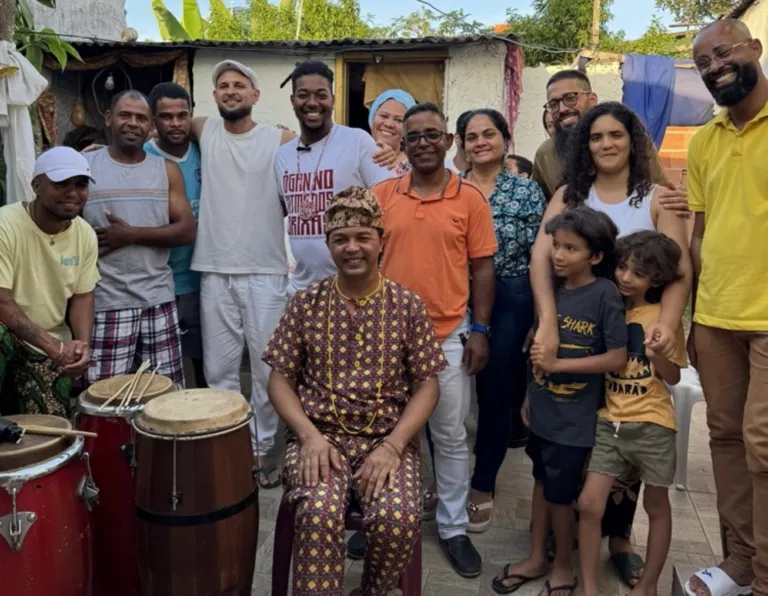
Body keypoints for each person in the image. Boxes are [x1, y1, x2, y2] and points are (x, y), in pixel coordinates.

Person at [529, 100, 693, 588]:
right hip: (580, 333)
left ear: (632, 139)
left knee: (627, 426)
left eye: (615, 135)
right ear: (586, 145)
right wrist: (547, 322)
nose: (606, 144)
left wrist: (662, 327)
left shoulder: (658, 196)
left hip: (638, 332)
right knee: (586, 434)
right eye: (596, 137)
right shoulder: (569, 194)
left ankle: (619, 541)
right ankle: (572, 535)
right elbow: (541, 255)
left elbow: (680, 269)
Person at [262, 186, 445, 596]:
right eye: (341, 239)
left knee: (397, 518)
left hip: (387, 439)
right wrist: (308, 436)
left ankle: (373, 590)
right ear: (328, 245)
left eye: (363, 236)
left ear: (382, 240)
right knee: (318, 510)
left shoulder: (407, 305)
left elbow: (427, 386)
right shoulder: (306, 303)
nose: (352, 248)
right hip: (319, 436)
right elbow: (279, 379)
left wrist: (394, 446)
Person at [373, 102, 497, 577]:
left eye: (433, 134)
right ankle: (382, 516)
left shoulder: (470, 200)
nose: (424, 143)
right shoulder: (382, 193)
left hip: (448, 333)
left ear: (449, 143)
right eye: (414, 136)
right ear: (402, 145)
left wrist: (480, 331)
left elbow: (483, 268)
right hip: (387, 336)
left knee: (449, 435)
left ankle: (452, 527)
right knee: (385, 431)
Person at [494, 207, 627, 596]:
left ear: (596, 256)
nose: (559, 255)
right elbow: (536, 344)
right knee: (540, 479)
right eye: (556, 246)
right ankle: (537, 555)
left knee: (560, 491)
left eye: (571, 248)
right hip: (544, 408)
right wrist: (530, 394)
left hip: (576, 419)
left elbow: (617, 358)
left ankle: (564, 567)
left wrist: (560, 362)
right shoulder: (551, 289)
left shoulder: (605, 295)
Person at [685, 19, 768, 596]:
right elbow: (699, 233)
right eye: (703, 63)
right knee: (725, 438)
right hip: (716, 316)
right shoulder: (704, 141)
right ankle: (740, 561)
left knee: (762, 442)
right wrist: (692, 317)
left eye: (723, 53)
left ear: (754, 49)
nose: (715, 67)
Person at [188, 60, 297, 488]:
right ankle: (225, 444)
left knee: (268, 372)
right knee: (219, 371)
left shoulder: (278, 138)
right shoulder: (204, 129)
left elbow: (327, 140)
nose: (231, 91)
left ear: (255, 95)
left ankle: (260, 448)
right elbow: (161, 125)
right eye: (223, 86)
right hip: (213, 271)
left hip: (267, 273)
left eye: (240, 85)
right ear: (214, 97)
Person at [578, 230, 685, 596]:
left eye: (637, 273)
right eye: (622, 267)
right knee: (590, 504)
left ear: (656, 279)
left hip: (654, 423)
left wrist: (657, 353)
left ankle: (649, 584)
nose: (625, 277)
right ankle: (590, 587)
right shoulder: (609, 308)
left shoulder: (664, 317)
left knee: (656, 504)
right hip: (610, 422)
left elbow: (674, 376)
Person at [460, 109, 546, 532]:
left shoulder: (525, 193)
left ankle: (481, 484)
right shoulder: (451, 190)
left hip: (511, 295)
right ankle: (447, 480)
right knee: (446, 392)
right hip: (454, 296)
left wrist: (540, 317)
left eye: (488, 133)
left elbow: (538, 258)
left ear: (504, 138)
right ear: (461, 144)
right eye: (472, 136)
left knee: (495, 395)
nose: (480, 142)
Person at [83, 90, 194, 388]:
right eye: (125, 115)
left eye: (141, 118)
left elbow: (186, 230)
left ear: (151, 126)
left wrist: (131, 235)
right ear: (109, 119)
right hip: (106, 302)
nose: (133, 123)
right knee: (105, 399)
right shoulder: (85, 166)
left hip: (158, 299)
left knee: (164, 399)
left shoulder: (166, 170)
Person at [275, 60, 394, 296]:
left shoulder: (357, 141)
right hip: (301, 291)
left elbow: (389, 201)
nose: (312, 103)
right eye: (303, 95)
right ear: (292, 101)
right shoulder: (282, 156)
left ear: (333, 99)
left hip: (353, 289)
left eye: (321, 95)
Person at [0, 147, 99, 417]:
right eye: (60, 183)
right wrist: (53, 347)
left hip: (49, 340)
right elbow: (1, 300)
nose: (72, 192)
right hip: (10, 332)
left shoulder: (85, 234)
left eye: (80, 185)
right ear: (36, 185)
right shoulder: (5, 224)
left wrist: (81, 345)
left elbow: (82, 295)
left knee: (51, 431)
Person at [532, 70, 679, 205]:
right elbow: (539, 209)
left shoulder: (630, 141)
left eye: (570, 98)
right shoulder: (545, 154)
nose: (562, 109)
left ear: (592, 99)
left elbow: (662, 195)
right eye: (553, 104)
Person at [145, 82, 206, 388]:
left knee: (203, 360)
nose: (176, 123)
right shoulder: (142, 156)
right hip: (158, 278)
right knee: (159, 368)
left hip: (201, 276)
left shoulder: (206, 151)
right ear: (153, 120)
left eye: (182, 115)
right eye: (166, 117)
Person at [368, 88, 416, 176]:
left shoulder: (416, 167)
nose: (389, 124)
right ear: (372, 117)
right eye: (384, 116)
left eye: (399, 120)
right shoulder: (355, 155)